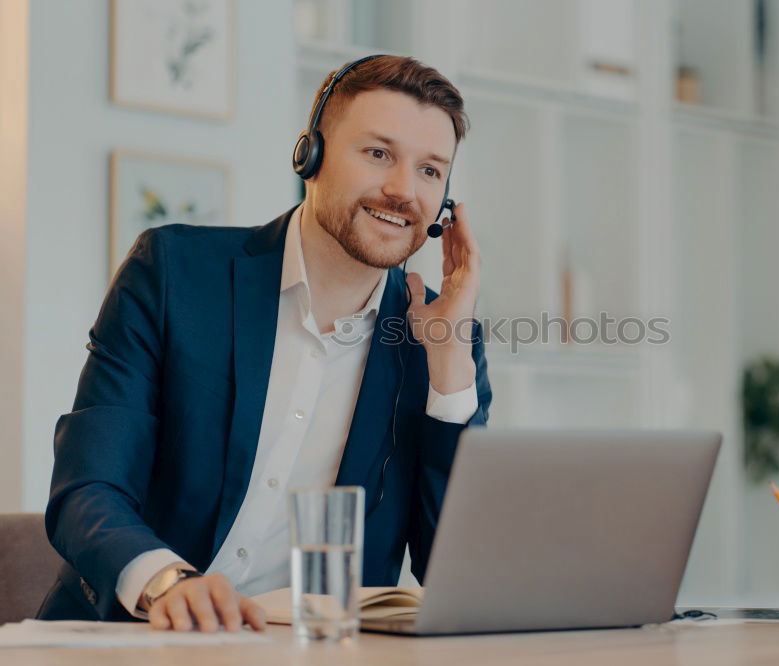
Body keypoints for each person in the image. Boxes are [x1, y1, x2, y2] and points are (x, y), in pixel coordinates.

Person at [37, 55, 491, 632]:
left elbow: (449, 566)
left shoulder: (441, 337)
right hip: (134, 638)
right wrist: (166, 584)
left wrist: (449, 376)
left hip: (316, 649)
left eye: (431, 170)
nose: (404, 190)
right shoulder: (174, 272)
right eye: (379, 153)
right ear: (311, 156)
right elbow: (87, 487)